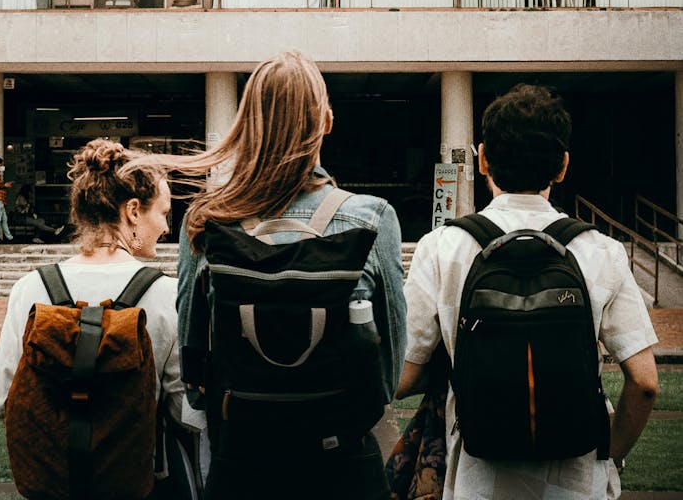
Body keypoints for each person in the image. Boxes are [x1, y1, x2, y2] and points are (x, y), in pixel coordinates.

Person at [398, 83, 658, 500]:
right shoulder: (600, 250)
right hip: (577, 480)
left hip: (476, 480)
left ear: (483, 159)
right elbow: (644, 382)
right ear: (563, 167)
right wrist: (612, 453)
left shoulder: (442, 248)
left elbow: (402, 373)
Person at [176, 50, 407, 500]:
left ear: (247, 123)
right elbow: (388, 377)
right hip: (341, 466)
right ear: (326, 122)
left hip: (240, 466)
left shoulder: (205, 222)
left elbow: (195, 379)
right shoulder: (372, 219)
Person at [0, 139, 189, 494]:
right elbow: (184, 412)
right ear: (132, 211)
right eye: (162, 212)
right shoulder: (166, 295)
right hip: (136, 483)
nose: (166, 227)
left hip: (54, 486)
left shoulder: (30, 289)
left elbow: (2, 401)